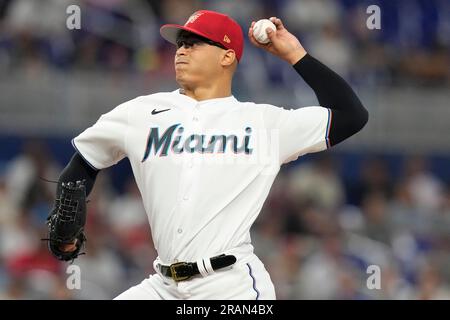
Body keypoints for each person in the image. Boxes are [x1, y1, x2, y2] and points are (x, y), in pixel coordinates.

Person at [49, 10, 368, 299]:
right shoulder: (140, 113)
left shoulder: (264, 123)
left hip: (231, 286)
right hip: (162, 285)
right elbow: (84, 162)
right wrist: (66, 228)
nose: (182, 50)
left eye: (195, 43)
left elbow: (351, 115)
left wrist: (295, 54)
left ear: (227, 56)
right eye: (180, 43)